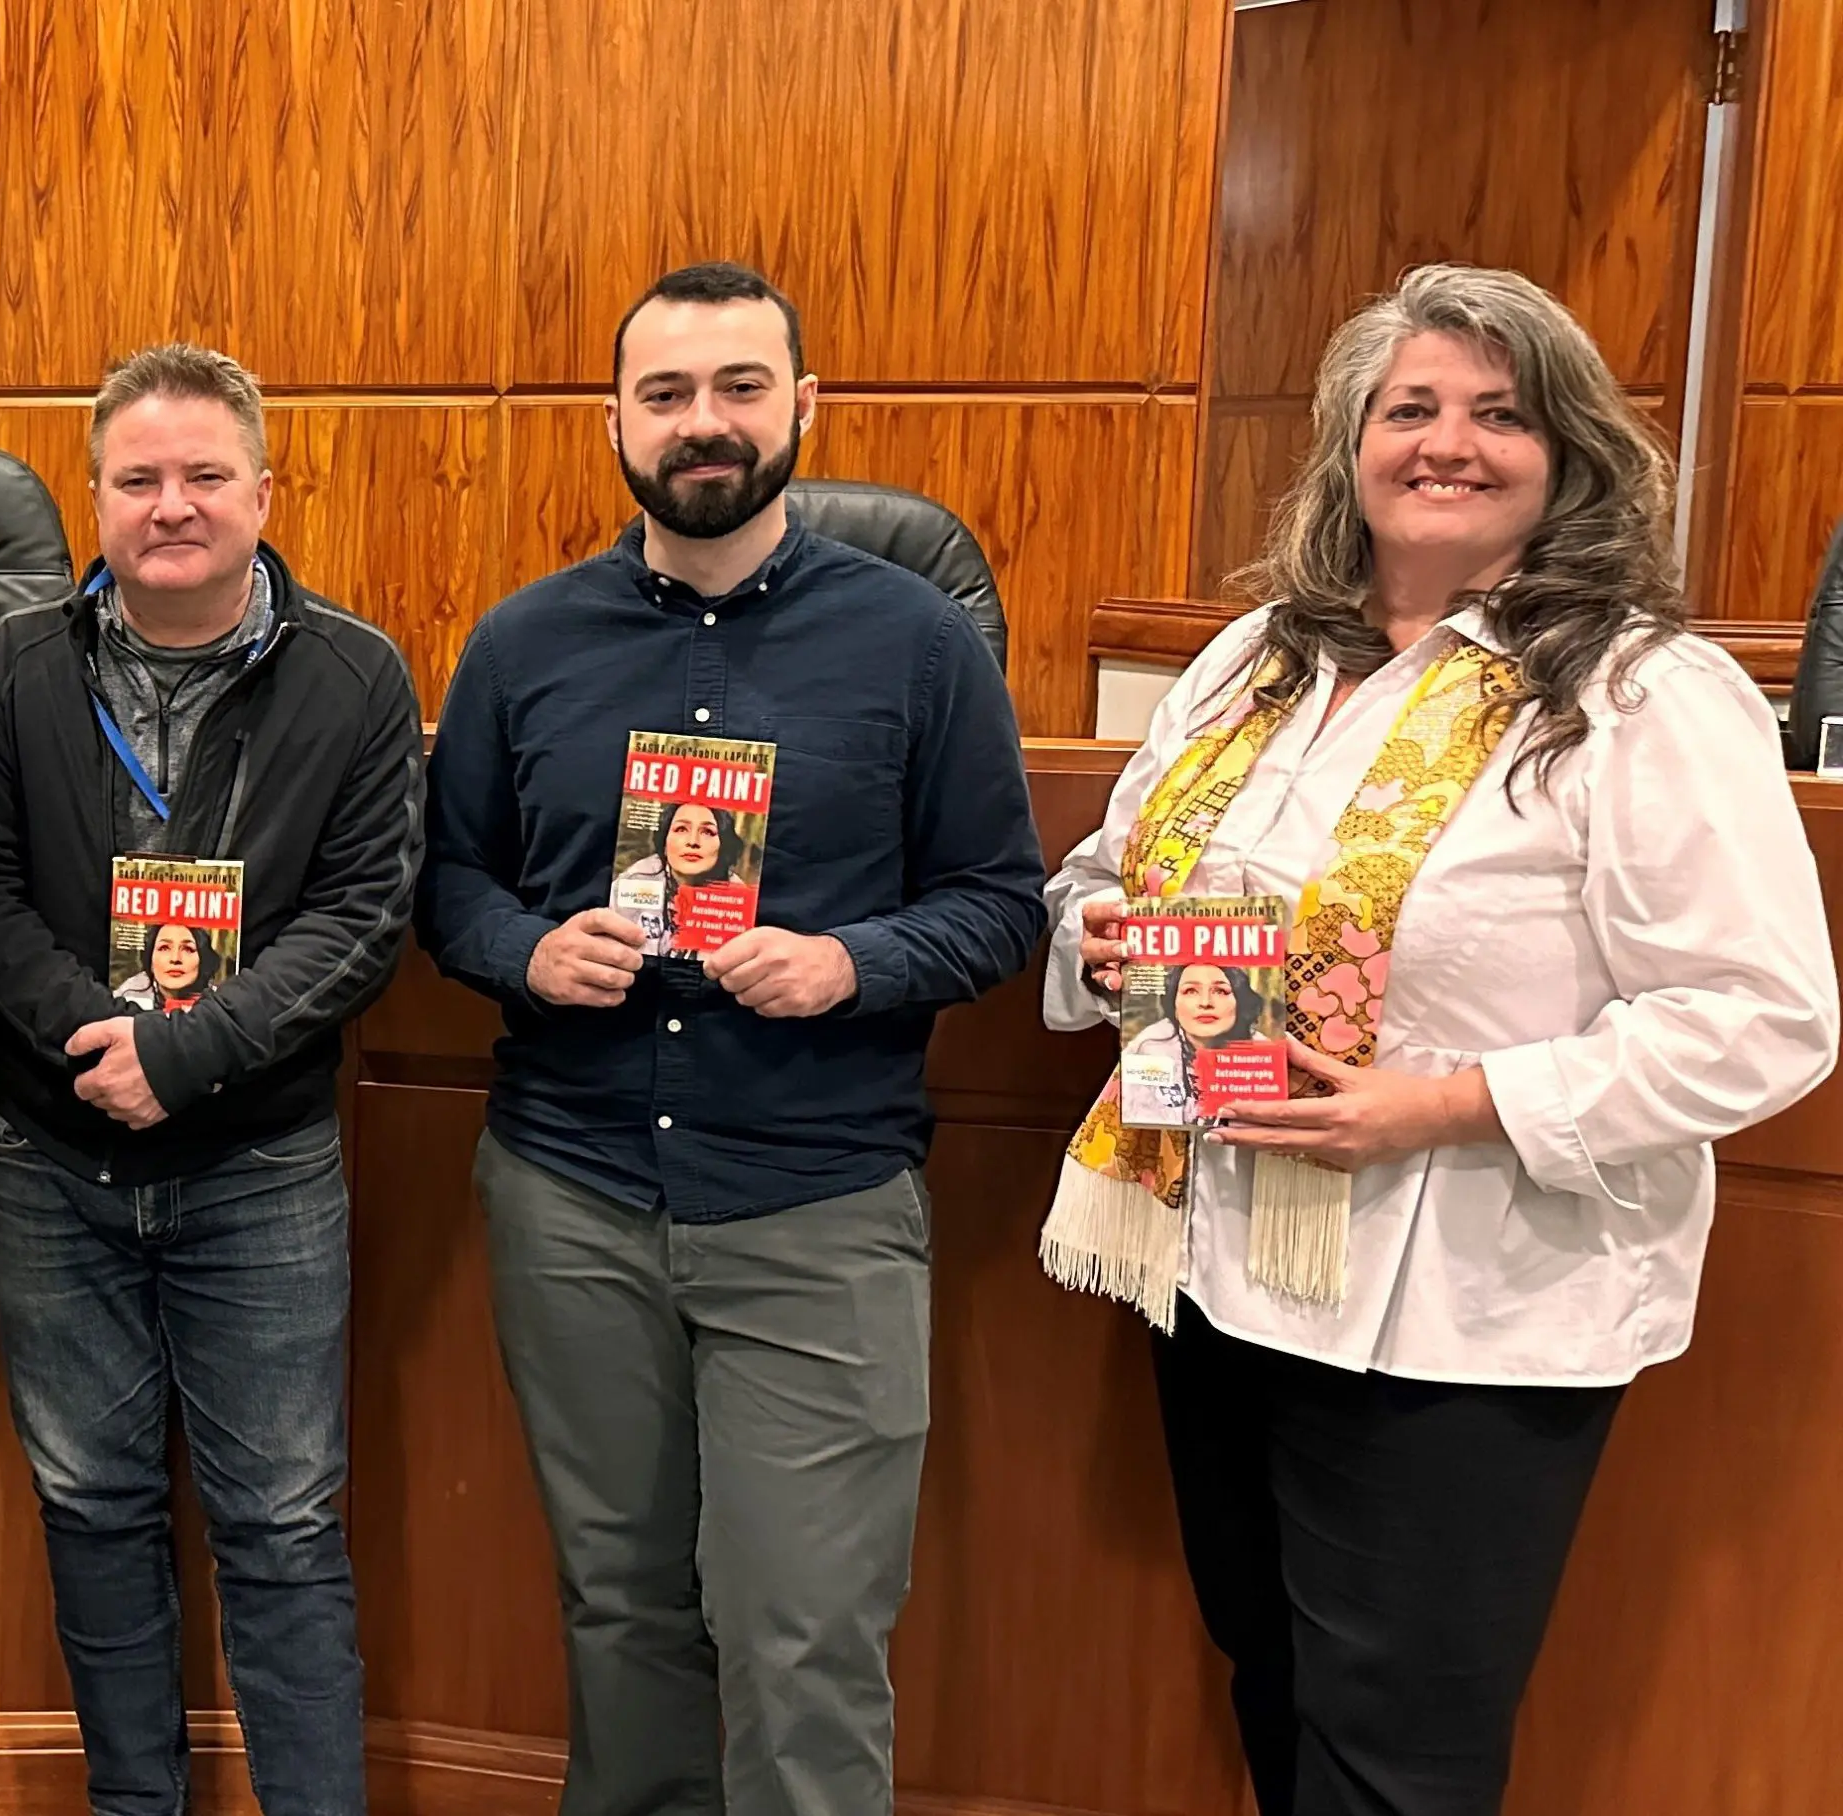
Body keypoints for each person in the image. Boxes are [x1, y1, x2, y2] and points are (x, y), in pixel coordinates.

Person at [1037, 264, 1838, 1816]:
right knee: (1269, 1682)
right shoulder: (1260, 660)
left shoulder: (1639, 693)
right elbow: (1100, 875)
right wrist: (1104, 935)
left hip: (1462, 1305)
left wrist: (1452, 1102)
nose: (1447, 442)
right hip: (1217, 1262)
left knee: (1395, 1754)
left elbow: (1766, 1017)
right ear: (1352, 444)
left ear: (1570, 454)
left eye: (1499, 413)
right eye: (1410, 409)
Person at [417, 262, 1045, 1816]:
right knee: (623, 1618)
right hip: (572, 1197)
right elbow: (447, 886)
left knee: (803, 1636)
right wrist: (522, 949)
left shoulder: (916, 643)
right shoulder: (521, 645)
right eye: (669, 394)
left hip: (814, 1207)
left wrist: (852, 962)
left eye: (741, 389)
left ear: (803, 407)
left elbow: (1001, 901)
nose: (705, 424)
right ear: (616, 421)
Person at [0, 343, 423, 1816]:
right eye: (139, 479)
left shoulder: (357, 674)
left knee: (280, 1523)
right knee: (91, 1507)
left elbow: (362, 918)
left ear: (265, 492)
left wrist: (185, 1053)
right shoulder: (17, 664)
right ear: (95, 498)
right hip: (52, 1157)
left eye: (206, 475)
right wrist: (103, 1044)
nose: (173, 506)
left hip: (259, 1166)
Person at [1115, 962, 1266, 1128]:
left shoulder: (1263, 1052)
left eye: (1220, 991)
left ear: (1240, 1001)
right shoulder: (1148, 1048)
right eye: (1191, 991)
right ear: (1174, 1005)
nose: (1205, 1003)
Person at [614, 799, 750, 955]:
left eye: (707, 832)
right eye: (681, 829)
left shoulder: (737, 900)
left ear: (723, 846)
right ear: (665, 844)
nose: (693, 842)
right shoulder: (637, 880)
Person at [108, 919, 218, 1014]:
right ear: (150, 958)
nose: (175, 959)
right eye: (164, 948)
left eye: (188, 949)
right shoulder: (129, 994)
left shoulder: (219, 1004)